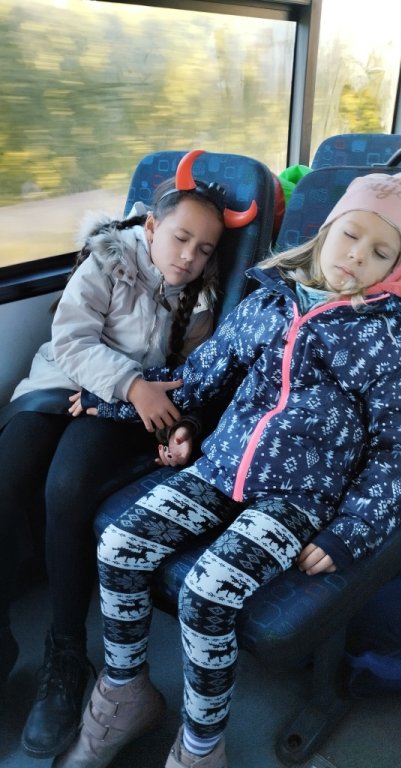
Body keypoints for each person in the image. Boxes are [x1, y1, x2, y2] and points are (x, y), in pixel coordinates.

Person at [53, 170, 401, 768]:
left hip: (299, 497)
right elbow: (201, 378)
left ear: (395, 265)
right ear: (326, 230)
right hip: (221, 465)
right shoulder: (268, 302)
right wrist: (119, 399)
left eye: (381, 251)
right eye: (351, 235)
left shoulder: (396, 343)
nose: (359, 256)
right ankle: (125, 695)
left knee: (210, 592)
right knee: (120, 546)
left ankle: (202, 747)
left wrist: (349, 532)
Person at [0, 148, 257, 760]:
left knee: (66, 489)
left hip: (123, 412)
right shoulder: (108, 261)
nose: (189, 257)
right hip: (61, 384)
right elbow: (70, 339)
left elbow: (197, 380)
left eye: (204, 249)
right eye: (180, 239)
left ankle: (66, 651)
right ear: (150, 226)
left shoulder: (201, 299)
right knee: (6, 478)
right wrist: (130, 382)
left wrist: (179, 421)